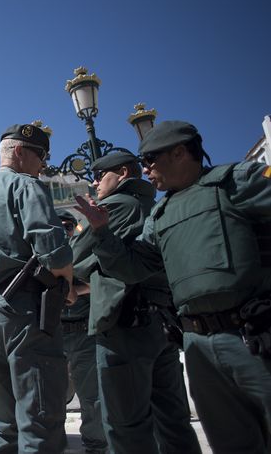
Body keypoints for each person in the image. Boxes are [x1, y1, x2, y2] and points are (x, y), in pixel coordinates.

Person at [74, 121, 271, 453]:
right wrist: (102, 233)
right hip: (195, 343)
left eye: (151, 160)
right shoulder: (159, 214)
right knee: (230, 440)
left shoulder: (235, 181)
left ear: (180, 152)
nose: (146, 169)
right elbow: (133, 267)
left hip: (251, 337)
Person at [70, 151, 200, 454]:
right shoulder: (153, 207)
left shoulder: (115, 205)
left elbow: (75, 259)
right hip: (162, 326)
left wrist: (71, 282)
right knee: (173, 422)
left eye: (100, 175)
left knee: (125, 426)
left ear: (124, 173)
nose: (95, 181)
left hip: (125, 326)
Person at [0, 123, 75, 453]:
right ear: (21, 152)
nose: (43, 165)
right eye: (41, 156)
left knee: (5, 423)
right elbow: (55, 253)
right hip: (25, 308)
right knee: (40, 418)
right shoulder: (27, 186)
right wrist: (66, 285)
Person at [56, 209, 107, 454]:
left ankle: (96, 447)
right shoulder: (45, 253)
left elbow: (99, 281)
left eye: (68, 226)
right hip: (53, 335)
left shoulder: (83, 251)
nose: (65, 231)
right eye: (60, 226)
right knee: (51, 399)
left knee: (92, 399)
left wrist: (71, 288)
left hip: (83, 332)